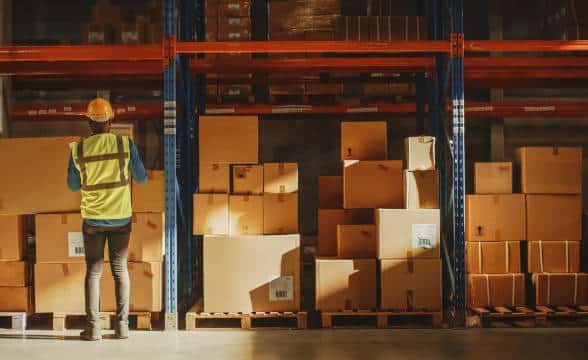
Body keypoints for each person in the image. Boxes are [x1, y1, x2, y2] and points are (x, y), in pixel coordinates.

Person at [67, 98, 147, 341]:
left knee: (93, 272)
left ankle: (93, 329)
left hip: (92, 220)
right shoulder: (125, 145)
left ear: (89, 122)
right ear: (111, 121)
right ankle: (122, 327)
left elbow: (72, 186)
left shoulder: (78, 149)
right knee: (120, 270)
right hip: (120, 219)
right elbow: (142, 178)